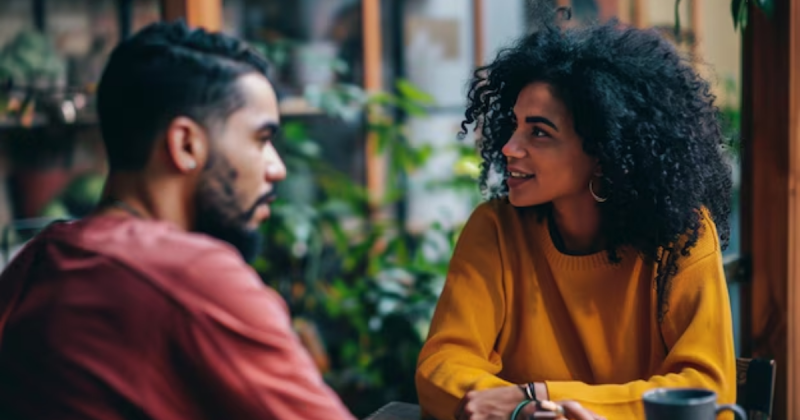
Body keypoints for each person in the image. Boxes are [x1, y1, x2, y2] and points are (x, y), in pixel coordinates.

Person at [0, 20, 355, 420]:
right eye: (261, 139)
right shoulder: (194, 276)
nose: (277, 169)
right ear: (186, 145)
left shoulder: (36, 261)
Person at [415, 5, 736, 420]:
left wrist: (537, 397)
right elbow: (442, 366)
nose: (509, 148)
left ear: (604, 153)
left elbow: (706, 386)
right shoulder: (495, 230)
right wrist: (527, 411)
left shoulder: (682, 236)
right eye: (514, 126)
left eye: (539, 132)